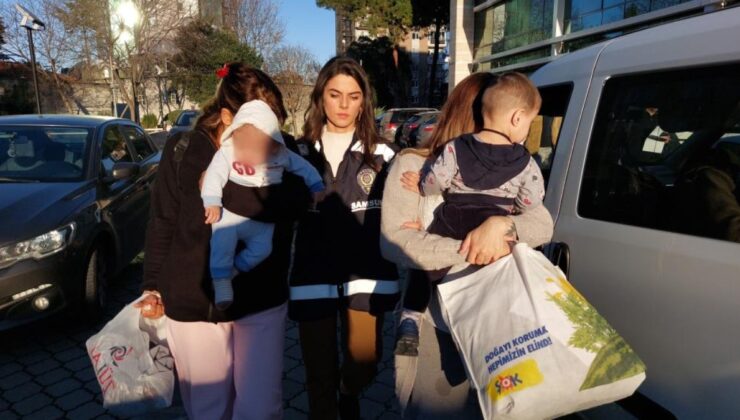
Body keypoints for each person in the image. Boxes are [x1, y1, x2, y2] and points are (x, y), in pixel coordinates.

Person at [136, 63, 310, 420]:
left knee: (260, 409)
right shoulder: (183, 149)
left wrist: (221, 189)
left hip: (260, 298)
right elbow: (163, 221)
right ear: (227, 115)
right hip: (193, 303)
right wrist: (152, 286)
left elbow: (294, 203)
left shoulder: (282, 149)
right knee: (209, 410)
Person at [380, 72, 554, 419]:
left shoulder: (512, 163)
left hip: (497, 319)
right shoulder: (414, 164)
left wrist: (501, 225)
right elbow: (395, 241)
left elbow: (542, 223)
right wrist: (476, 245)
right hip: (438, 324)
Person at [289, 57, 399, 420]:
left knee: (364, 361)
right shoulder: (298, 153)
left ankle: (348, 392)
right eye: (335, 95)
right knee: (317, 376)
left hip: (366, 276)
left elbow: (411, 203)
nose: (343, 105)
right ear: (321, 96)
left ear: (364, 101)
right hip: (312, 277)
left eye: (353, 97)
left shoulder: (383, 154)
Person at [201, 99, 325, 310]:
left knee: (263, 249)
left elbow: (303, 167)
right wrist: (212, 201)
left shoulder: (281, 155)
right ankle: (221, 281)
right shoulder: (227, 152)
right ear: (234, 136)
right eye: (244, 144)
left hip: (262, 219)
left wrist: (316, 184)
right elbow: (214, 175)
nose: (249, 153)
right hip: (229, 215)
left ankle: (235, 269)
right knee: (221, 244)